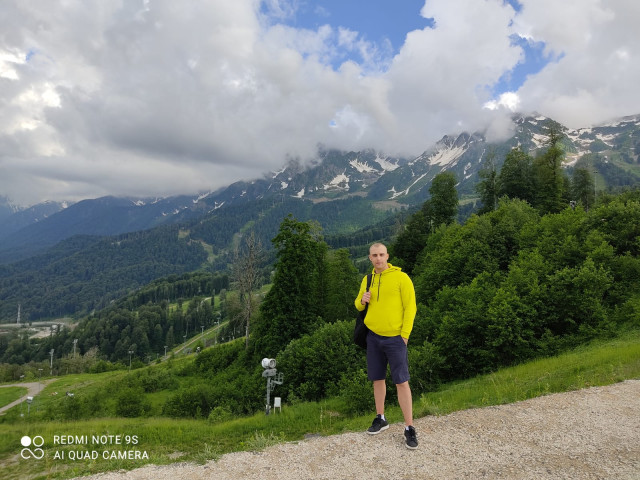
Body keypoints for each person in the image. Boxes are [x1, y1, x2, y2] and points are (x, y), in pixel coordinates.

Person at [355, 242, 418, 449]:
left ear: (388, 256)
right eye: (375, 255)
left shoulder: (402, 278)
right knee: (377, 379)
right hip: (373, 337)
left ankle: (409, 427)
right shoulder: (368, 279)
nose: (379, 258)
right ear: (370, 258)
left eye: (382, 254)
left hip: (395, 339)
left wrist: (405, 336)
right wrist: (363, 300)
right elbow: (357, 305)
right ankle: (381, 417)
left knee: (401, 381)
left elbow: (411, 308)